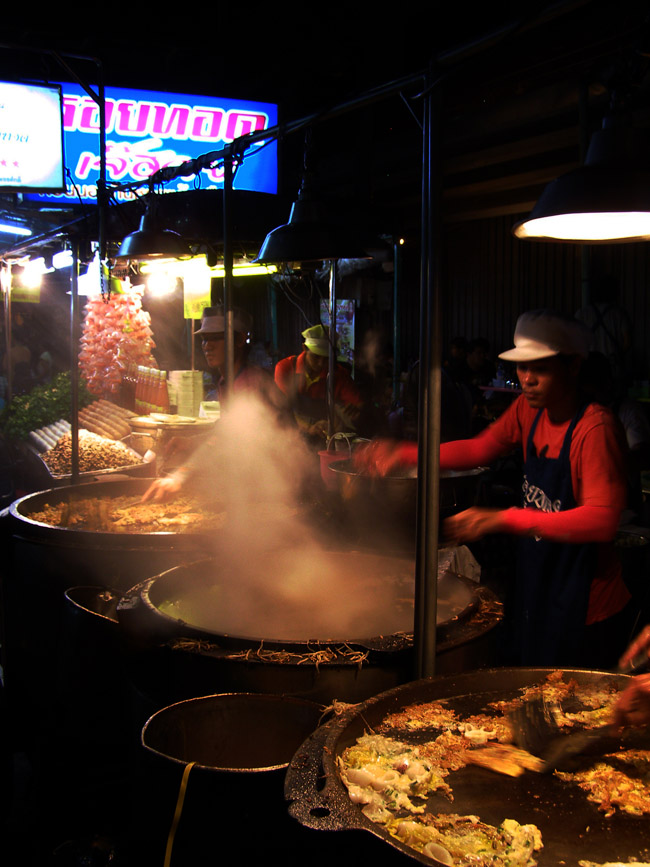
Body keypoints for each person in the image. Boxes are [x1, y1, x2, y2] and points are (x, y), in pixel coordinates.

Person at [358, 309, 631, 667]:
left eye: (541, 368)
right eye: (522, 367)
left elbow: (601, 520)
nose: (528, 379)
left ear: (573, 366)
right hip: (543, 587)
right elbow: (479, 448)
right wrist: (407, 453)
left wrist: (503, 519)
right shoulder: (529, 410)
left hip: (590, 608)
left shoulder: (594, 429)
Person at [142, 305, 286, 502]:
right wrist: (192, 442)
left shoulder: (249, 383)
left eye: (216, 338)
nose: (207, 346)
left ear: (239, 340)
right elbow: (225, 431)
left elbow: (232, 440)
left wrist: (182, 474)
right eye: (204, 339)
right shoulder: (226, 381)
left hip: (271, 485)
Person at [274, 324, 363, 444]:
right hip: (291, 436)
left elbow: (358, 405)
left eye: (326, 359)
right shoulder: (286, 368)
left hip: (324, 437)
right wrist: (310, 427)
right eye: (316, 357)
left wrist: (354, 412)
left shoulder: (337, 374)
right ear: (305, 348)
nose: (321, 363)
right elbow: (282, 410)